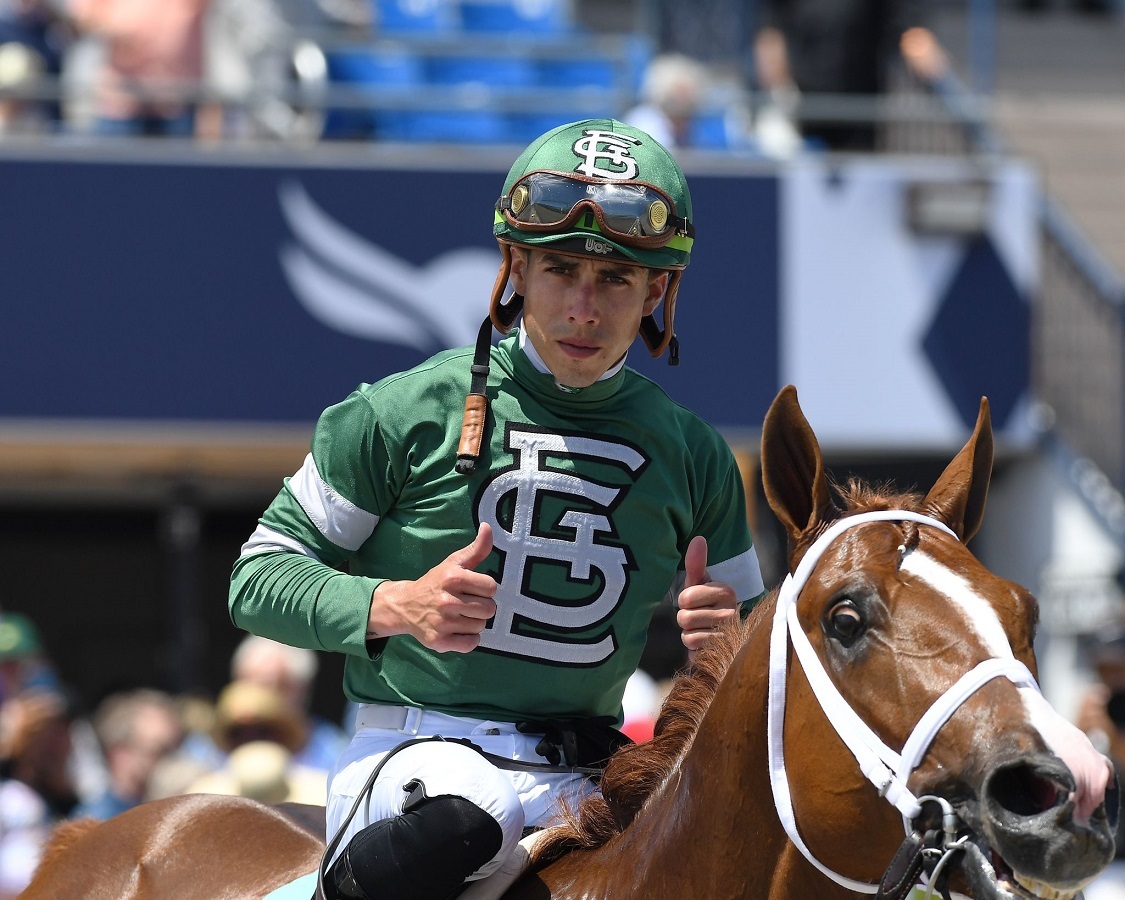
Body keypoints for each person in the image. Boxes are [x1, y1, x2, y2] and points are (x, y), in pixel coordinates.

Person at [229, 117, 767, 900]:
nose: (584, 307)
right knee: (466, 818)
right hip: (415, 764)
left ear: (659, 289)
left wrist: (733, 642)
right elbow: (256, 578)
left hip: (592, 776)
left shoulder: (696, 456)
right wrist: (395, 604)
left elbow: (760, 664)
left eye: (615, 279)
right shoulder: (399, 410)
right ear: (515, 266)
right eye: (559, 270)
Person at [752, 0, 948, 151]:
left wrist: (917, 37)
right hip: (802, 104)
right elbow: (773, 21)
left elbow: (904, 20)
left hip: (859, 107)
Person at [0, 687, 78, 898]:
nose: (57, 746)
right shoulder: (10, 798)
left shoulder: (70, 800)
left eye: (62, 734)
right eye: (46, 736)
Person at [230, 634, 348, 773]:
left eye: (271, 686)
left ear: (301, 690)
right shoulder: (211, 749)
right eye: (248, 685)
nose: (258, 698)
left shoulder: (336, 754)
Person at [70, 688, 184, 821]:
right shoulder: (95, 822)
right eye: (158, 751)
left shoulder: (170, 811)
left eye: (175, 750)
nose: (171, 763)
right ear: (120, 753)